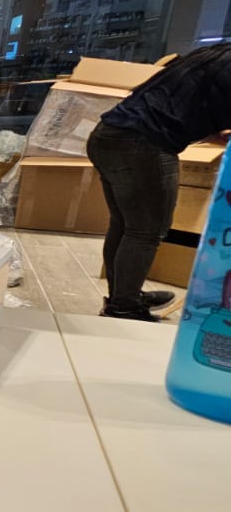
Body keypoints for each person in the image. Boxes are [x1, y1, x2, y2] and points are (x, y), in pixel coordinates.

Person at [86, 42, 231, 321]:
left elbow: (187, 105)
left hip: (109, 134)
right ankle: (124, 307)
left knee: (124, 224)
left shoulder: (215, 55)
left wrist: (213, 135)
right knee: (146, 231)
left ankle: (123, 297)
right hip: (143, 143)